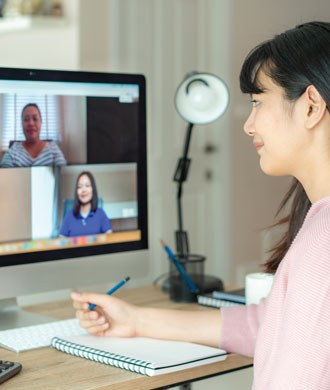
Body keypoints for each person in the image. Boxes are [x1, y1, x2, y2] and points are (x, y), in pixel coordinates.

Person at [71, 21, 330, 389]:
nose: (249, 125)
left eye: (258, 102)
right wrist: (136, 320)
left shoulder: (323, 244)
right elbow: (268, 324)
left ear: (311, 106)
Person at [0, 103, 67, 167]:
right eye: (26, 119)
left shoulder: (53, 149)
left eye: (35, 119)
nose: (31, 123)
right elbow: (4, 175)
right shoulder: (13, 151)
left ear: (41, 122)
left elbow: (64, 173)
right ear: (21, 124)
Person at [60, 171, 112, 237]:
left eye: (87, 186)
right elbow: (61, 241)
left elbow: (110, 238)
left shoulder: (101, 214)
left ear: (93, 190)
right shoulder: (69, 215)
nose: (83, 190)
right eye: (79, 187)